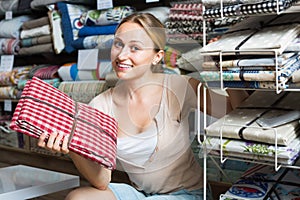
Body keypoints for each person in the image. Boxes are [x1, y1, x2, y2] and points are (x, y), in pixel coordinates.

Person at [38, 12, 249, 200]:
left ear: (157, 56)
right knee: (79, 197)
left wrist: (227, 67)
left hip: (186, 194)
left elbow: (236, 113)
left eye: (135, 48)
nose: (121, 56)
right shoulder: (100, 105)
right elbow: (102, 181)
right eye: (118, 44)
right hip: (141, 194)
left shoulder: (179, 87)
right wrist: (73, 147)